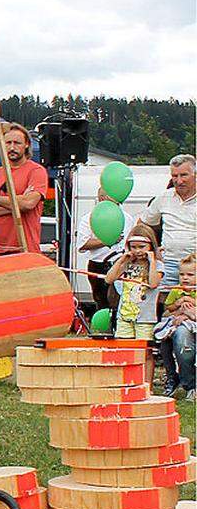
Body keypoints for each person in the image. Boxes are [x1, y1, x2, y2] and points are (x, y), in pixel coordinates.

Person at [0, 123, 48, 255]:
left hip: (25, 250)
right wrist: (19, 204)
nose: (12, 147)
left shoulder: (36, 171)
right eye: (8, 143)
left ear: (27, 144)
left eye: (17, 143)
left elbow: (29, 204)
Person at [137, 154, 196, 288]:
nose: (179, 181)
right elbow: (142, 225)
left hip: (195, 266)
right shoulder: (164, 197)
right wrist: (153, 250)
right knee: (164, 303)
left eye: (184, 175)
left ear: (195, 175)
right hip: (168, 263)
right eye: (175, 176)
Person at [105, 224, 162, 339]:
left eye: (142, 247)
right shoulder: (127, 263)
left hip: (145, 319)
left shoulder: (158, 265)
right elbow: (109, 279)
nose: (137, 251)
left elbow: (153, 283)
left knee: (142, 350)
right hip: (124, 316)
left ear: (151, 246)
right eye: (133, 247)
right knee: (123, 349)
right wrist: (121, 260)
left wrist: (152, 261)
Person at [157, 254, 195, 400]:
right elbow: (168, 309)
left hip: (191, 324)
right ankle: (177, 379)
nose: (185, 278)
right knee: (168, 341)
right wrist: (179, 306)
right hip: (177, 323)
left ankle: (189, 383)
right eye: (182, 274)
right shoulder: (176, 290)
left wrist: (187, 310)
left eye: (190, 275)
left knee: (183, 338)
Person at [78, 187, 122, 313]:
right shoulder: (88, 219)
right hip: (99, 264)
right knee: (102, 301)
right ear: (102, 198)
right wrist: (106, 241)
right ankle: (104, 328)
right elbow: (83, 244)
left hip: (121, 263)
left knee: (120, 299)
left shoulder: (126, 217)